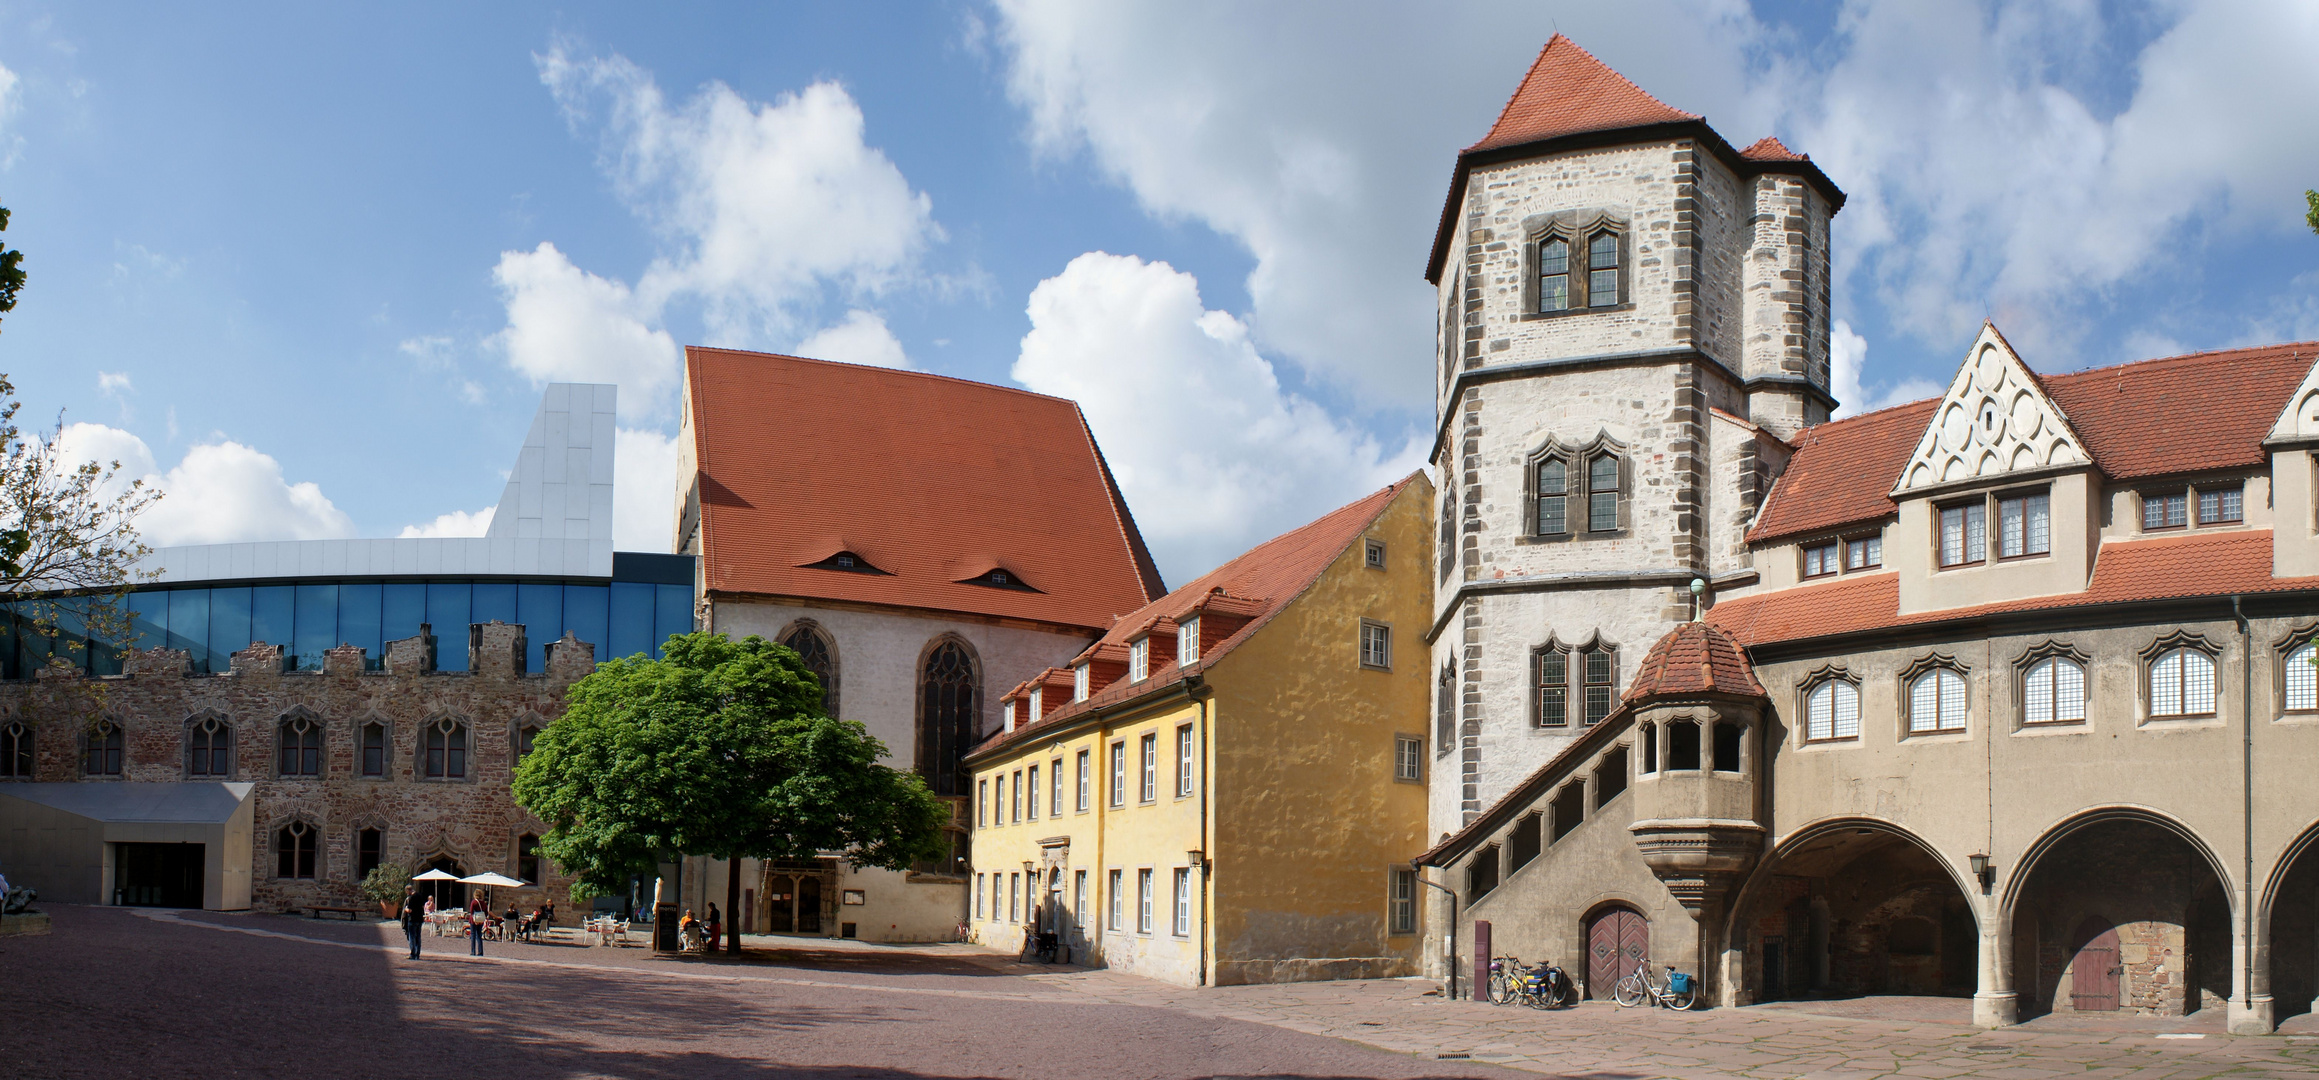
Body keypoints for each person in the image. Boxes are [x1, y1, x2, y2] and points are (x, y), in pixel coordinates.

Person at [400, 886, 425, 960]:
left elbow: (410, 910)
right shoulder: (420, 896)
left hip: (412, 919)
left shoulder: (411, 898)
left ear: (408, 891)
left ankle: (413, 953)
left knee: (412, 937)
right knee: (418, 937)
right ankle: (417, 954)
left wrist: (406, 909)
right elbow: (423, 906)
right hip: (419, 919)